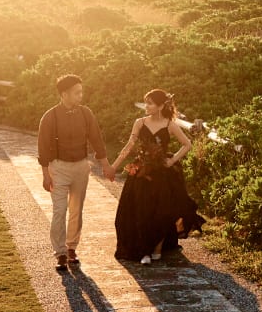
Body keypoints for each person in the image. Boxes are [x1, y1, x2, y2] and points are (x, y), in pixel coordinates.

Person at [111, 89, 206, 265]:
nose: (146, 106)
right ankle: (144, 250)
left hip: (162, 174)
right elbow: (129, 146)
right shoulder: (139, 123)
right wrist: (113, 166)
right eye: (145, 102)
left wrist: (171, 161)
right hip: (142, 172)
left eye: (150, 103)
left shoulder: (170, 125)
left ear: (161, 105)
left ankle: (157, 248)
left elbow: (187, 145)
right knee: (140, 211)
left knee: (162, 211)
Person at [37, 74, 115, 271]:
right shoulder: (50, 116)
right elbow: (43, 147)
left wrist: (106, 165)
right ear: (64, 94)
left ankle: (72, 248)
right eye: (76, 92)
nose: (81, 95)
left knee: (76, 210)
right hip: (59, 168)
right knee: (59, 210)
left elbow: (97, 140)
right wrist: (46, 174)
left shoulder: (86, 113)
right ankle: (60, 253)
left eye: (81, 91)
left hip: (81, 167)